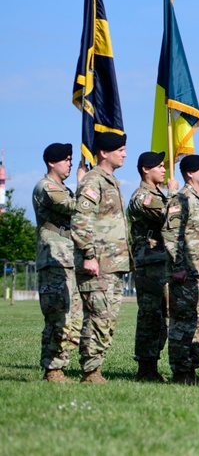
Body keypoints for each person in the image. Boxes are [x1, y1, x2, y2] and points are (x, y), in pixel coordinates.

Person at [70, 131, 130, 384]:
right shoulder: (93, 181)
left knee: (107, 320)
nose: (124, 154)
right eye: (120, 150)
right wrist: (89, 255)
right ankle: (90, 372)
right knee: (98, 318)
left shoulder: (110, 181)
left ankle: (95, 369)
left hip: (113, 263)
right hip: (99, 263)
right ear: (104, 153)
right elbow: (81, 221)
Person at [32, 142, 87, 382]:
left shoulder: (64, 188)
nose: (70, 163)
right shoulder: (46, 187)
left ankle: (60, 366)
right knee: (57, 317)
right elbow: (75, 208)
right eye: (65, 159)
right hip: (54, 259)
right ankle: (52, 369)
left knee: (74, 318)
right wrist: (85, 184)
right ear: (51, 162)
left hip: (69, 257)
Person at [162, 153, 199, 385]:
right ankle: (180, 372)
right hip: (186, 273)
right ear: (190, 173)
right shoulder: (181, 199)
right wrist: (177, 267)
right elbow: (170, 234)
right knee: (183, 323)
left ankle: (190, 370)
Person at [128, 151, 178, 382]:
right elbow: (170, 217)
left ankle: (153, 365)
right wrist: (175, 193)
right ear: (145, 170)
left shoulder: (158, 194)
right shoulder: (142, 197)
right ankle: (145, 368)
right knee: (150, 315)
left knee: (163, 315)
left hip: (161, 260)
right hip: (149, 261)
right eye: (158, 166)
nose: (163, 169)